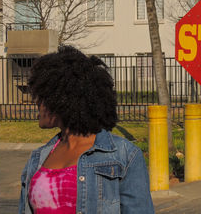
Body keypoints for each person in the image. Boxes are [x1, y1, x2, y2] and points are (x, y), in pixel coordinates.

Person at [18, 46, 154, 214]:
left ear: (61, 100)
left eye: (41, 97)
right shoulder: (38, 158)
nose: (37, 103)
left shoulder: (124, 155)